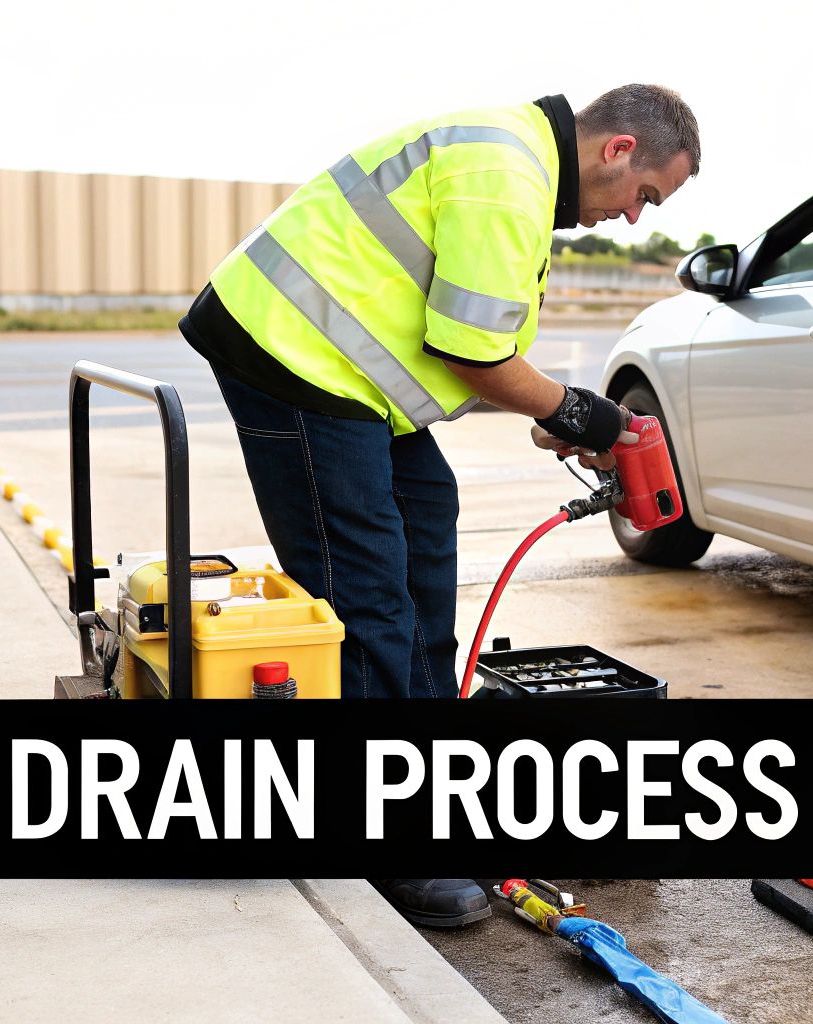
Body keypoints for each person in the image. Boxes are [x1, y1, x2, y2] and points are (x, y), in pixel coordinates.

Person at [179, 84, 700, 927]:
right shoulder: (505, 174)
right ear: (616, 151)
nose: (636, 218)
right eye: (646, 196)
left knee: (428, 523)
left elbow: (475, 348)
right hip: (288, 357)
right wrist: (581, 413)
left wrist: (549, 411)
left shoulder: (517, 163)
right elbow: (470, 351)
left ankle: (434, 779)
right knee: (368, 590)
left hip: (348, 379)